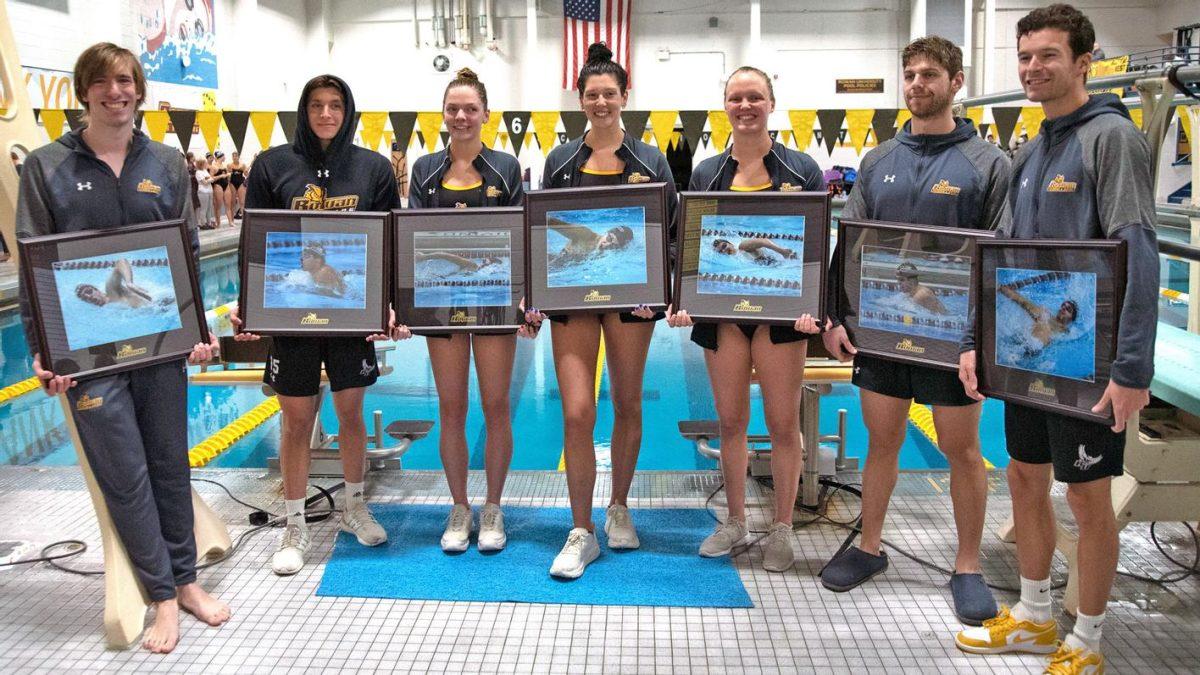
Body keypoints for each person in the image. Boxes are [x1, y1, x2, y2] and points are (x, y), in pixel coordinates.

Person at [954, 6, 1158, 672]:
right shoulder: (1032, 148)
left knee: (1088, 496)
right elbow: (1003, 257)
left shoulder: (1110, 139)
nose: (1033, 68)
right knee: (1023, 476)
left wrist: (1131, 366)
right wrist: (978, 341)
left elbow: (1139, 248)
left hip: (1089, 360)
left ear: (1083, 60)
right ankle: (1038, 615)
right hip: (1024, 353)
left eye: (1048, 55)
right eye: (1025, 57)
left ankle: (1088, 639)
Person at [16, 42, 227, 654]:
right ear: (85, 90)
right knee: (126, 475)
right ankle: (161, 596)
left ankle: (186, 582)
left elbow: (185, 249)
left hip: (160, 344)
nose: (118, 92)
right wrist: (46, 352)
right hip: (88, 353)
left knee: (168, 462)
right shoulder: (47, 166)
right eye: (105, 83)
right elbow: (35, 264)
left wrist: (200, 331)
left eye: (128, 81)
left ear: (139, 89)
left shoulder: (163, 161)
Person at [818, 35, 1010, 625]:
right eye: (910, 74)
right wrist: (835, 317)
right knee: (882, 441)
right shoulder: (878, 161)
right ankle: (870, 545)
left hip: (952, 341)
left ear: (957, 81)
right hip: (879, 329)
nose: (918, 84)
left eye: (930, 74)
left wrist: (978, 339)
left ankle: (968, 564)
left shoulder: (988, 163)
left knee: (961, 449)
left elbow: (999, 257)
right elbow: (848, 245)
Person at [234, 73, 403, 576]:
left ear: (347, 111)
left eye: (335, 105)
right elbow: (254, 240)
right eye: (316, 105)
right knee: (296, 422)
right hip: (292, 320)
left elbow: (389, 241)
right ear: (303, 111)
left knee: (352, 414)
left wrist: (387, 304)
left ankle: (353, 506)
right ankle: (294, 524)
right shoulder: (273, 165)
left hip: (351, 318)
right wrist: (249, 303)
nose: (326, 114)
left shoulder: (371, 167)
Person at [527, 42, 677, 580]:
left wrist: (659, 287)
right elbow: (547, 232)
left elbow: (670, 233)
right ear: (581, 99)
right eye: (592, 94)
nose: (601, 102)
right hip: (574, 300)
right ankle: (580, 529)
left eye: (609, 93)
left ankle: (618, 507)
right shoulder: (560, 160)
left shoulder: (650, 160)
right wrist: (540, 289)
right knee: (576, 412)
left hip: (631, 301)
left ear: (624, 97)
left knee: (629, 403)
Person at [669, 65, 824, 573]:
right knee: (731, 422)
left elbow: (817, 250)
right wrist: (684, 296)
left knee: (782, 423)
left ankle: (782, 526)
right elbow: (691, 246)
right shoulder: (706, 174)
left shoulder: (802, 171)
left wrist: (814, 306)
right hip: (724, 315)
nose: (745, 106)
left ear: (771, 103)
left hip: (781, 316)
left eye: (754, 97)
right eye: (736, 98)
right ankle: (735, 520)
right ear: (726, 106)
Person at [406, 68, 526, 553]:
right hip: (441, 306)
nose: (461, 116)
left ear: (485, 114)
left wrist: (524, 301)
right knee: (452, 408)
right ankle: (459, 507)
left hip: (495, 304)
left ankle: (493, 506)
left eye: (470, 108)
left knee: (497, 406)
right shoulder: (425, 170)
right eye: (453, 109)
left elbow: (520, 239)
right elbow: (411, 239)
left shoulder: (505, 169)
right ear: (443, 114)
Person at [998, 282, 1077, 346]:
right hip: (1023, 342)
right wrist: (1001, 288)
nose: (1063, 308)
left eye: (1068, 309)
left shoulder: (1067, 333)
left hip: (1034, 351)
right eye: (1063, 305)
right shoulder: (1046, 314)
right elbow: (1024, 302)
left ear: (1071, 318)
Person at [74, 258, 161, 308]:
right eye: (85, 298)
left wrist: (129, 283)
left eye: (89, 291)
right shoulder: (108, 306)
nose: (89, 297)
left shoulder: (111, 291)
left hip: (161, 304)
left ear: (96, 289)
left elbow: (121, 262)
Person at [711, 236, 798, 264]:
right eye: (720, 251)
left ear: (730, 243)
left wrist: (783, 252)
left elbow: (763, 241)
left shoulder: (742, 246)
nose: (724, 250)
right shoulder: (734, 259)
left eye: (723, 246)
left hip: (782, 263)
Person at [209, 150, 231, 228]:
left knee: (228, 204)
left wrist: (228, 175)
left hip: (226, 184)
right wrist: (220, 176)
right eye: (224, 156)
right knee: (218, 206)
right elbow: (211, 178)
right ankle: (218, 223)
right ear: (221, 157)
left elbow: (227, 175)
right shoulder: (213, 166)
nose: (225, 157)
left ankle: (230, 222)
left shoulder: (224, 166)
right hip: (218, 185)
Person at [193, 156, 215, 228]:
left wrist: (209, 179)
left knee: (209, 208)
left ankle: (209, 223)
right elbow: (205, 182)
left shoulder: (205, 171)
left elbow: (208, 179)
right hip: (203, 192)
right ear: (201, 164)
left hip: (209, 190)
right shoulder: (198, 172)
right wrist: (210, 179)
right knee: (204, 208)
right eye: (205, 163)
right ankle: (203, 223)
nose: (206, 164)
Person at [228, 150, 247, 220]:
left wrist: (246, 171)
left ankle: (244, 219)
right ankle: (232, 219)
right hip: (232, 183)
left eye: (236, 156)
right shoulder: (229, 165)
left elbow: (246, 174)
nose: (234, 158)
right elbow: (229, 176)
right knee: (233, 202)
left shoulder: (242, 165)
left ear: (238, 157)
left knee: (242, 202)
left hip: (240, 182)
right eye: (233, 156)